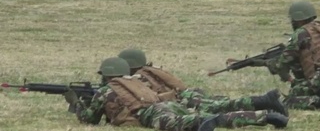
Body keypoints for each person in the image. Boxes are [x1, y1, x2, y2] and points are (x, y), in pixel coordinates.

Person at [64, 57, 288, 130]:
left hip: (153, 112)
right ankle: (264, 113)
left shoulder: (106, 90)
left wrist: (74, 102)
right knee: (206, 112)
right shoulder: (135, 80)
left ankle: (264, 116)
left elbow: (89, 119)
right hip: (166, 104)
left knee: (200, 121)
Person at [118, 49, 288, 116]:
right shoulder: (151, 70)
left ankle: (264, 103)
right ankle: (265, 102)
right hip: (189, 94)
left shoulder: (138, 77)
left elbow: (149, 99)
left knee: (220, 107)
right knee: (223, 102)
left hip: (182, 99)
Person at [264, 0, 320, 110]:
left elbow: (283, 62)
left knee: (289, 100)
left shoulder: (301, 32)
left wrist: (273, 67)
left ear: (297, 18)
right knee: (310, 89)